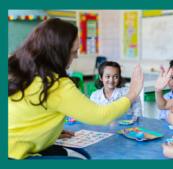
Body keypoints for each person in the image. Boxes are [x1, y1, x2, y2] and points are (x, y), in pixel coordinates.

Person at [8, 18, 144, 159]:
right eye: (74, 52)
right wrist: (133, 92)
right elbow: (102, 116)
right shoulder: (55, 84)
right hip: (13, 156)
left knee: (59, 152)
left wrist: (46, 131)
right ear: (58, 52)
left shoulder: (16, 69)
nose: (77, 56)